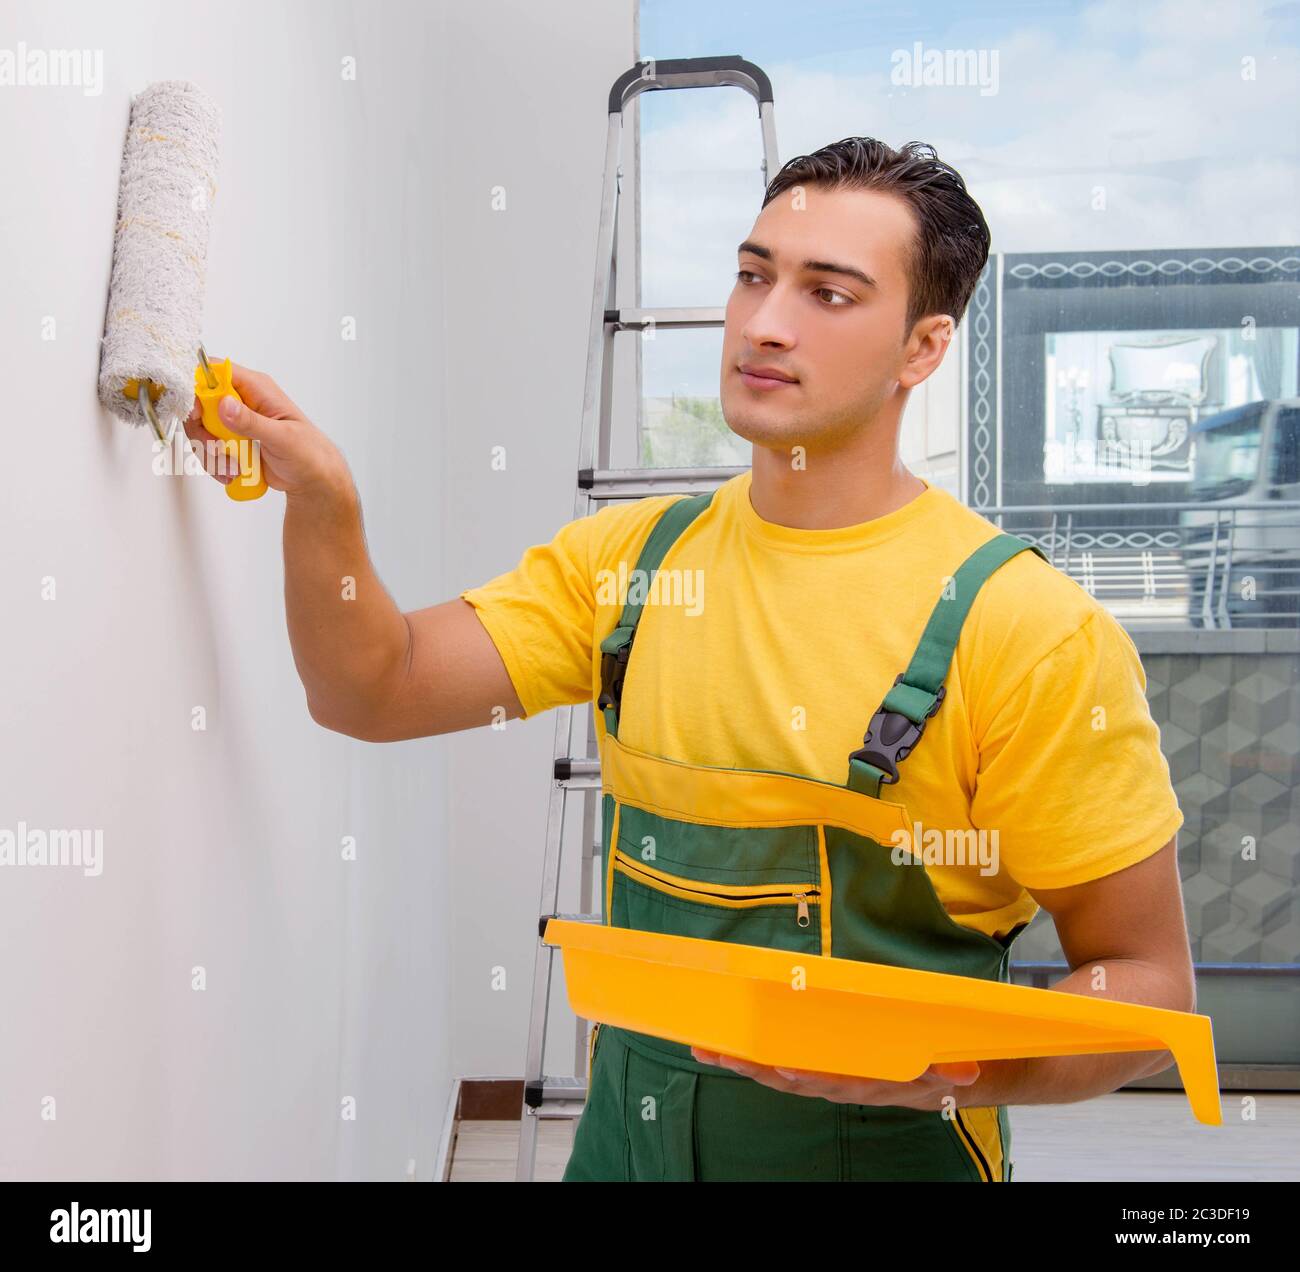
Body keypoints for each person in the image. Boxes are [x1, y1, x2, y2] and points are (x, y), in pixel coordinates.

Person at [183, 137, 1192, 1183]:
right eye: (753, 274)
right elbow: (371, 690)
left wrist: (945, 1066)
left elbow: (1148, 987)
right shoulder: (629, 565)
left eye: (828, 294)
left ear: (921, 349)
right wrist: (323, 505)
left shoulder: (1023, 630)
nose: (762, 322)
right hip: (627, 1153)